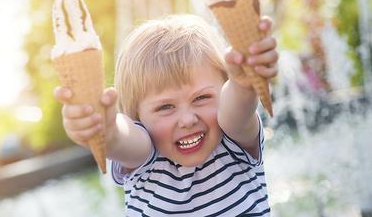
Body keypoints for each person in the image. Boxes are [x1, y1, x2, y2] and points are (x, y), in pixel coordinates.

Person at [54, 14, 278, 216]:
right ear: (138, 116)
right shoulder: (145, 157)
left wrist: (244, 84)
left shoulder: (233, 140)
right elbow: (123, 139)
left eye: (201, 98)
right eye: (165, 107)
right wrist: (107, 129)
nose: (188, 119)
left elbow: (236, 112)